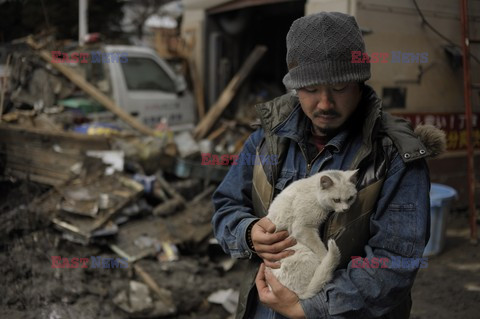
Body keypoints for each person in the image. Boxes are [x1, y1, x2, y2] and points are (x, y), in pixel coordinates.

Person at [212, 11, 445, 319]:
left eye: (339, 88)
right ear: (295, 86)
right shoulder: (266, 140)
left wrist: (310, 307)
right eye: (310, 89)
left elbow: (394, 262)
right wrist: (248, 232)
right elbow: (225, 205)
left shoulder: (394, 156)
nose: (324, 103)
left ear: (359, 82)